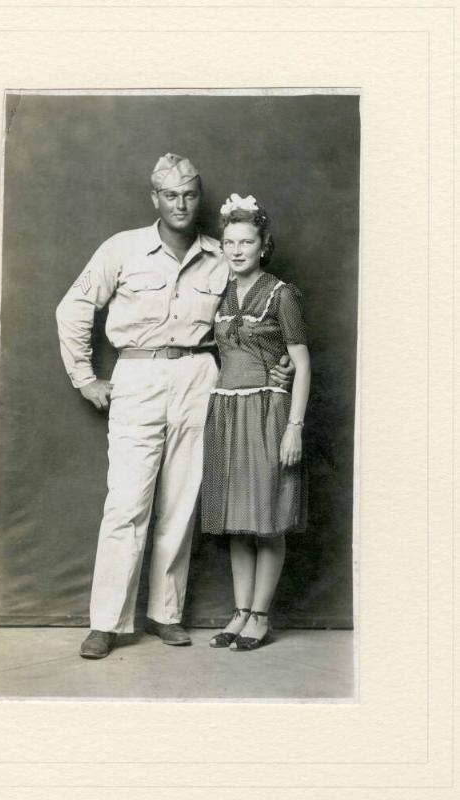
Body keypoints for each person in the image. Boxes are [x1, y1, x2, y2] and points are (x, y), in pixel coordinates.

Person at [56, 157, 294, 660]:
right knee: (126, 502)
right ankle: (107, 622)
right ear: (155, 199)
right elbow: (73, 307)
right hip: (137, 375)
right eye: (170, 195)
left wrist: (280, 368)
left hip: (199, 376)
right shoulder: (122, 248)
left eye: (189, 194)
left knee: (181, 502)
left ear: (199, 196)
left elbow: (250, 322)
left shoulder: (221, 254)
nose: (181, 204)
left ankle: (166, 614)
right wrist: (84, 377)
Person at [202, 193, 311, 651]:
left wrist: (295, 426)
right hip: (227, 412)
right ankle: (240, 611)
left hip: (268, 414)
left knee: (267, 517)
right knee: (237, 522)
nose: (238, 249)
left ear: (263, 244)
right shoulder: (221, 294)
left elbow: (302, 364)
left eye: (247, 241)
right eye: (229, 242)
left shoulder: (281, 294)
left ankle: (261, 615)